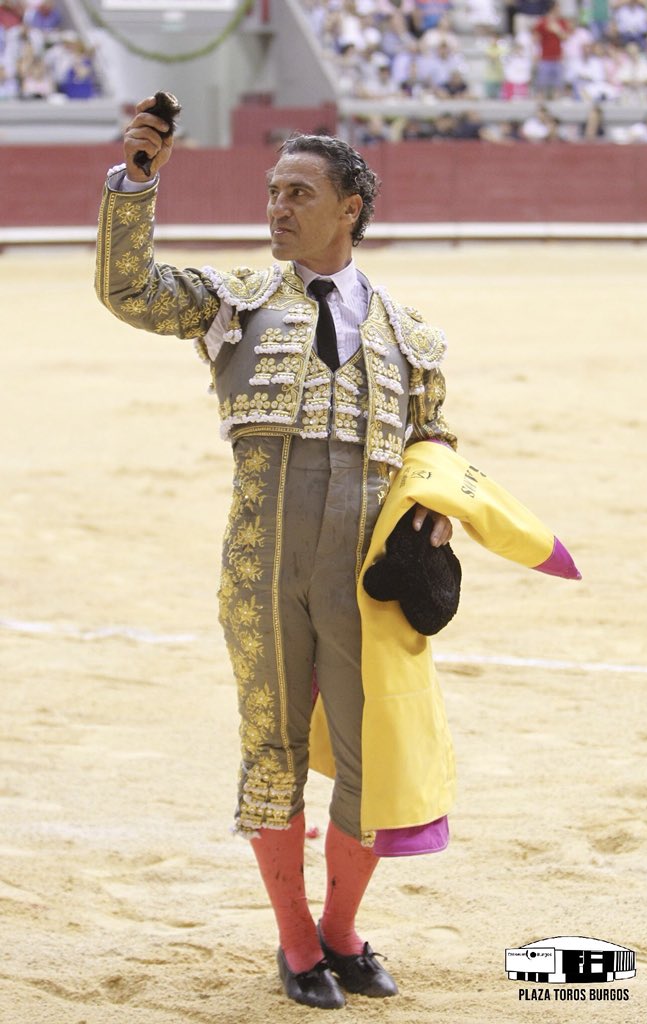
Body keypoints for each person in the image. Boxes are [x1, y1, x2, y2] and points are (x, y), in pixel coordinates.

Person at [95, 97, 457, 1010]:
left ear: (352, 210)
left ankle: (341, 931)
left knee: (376, 757)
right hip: (261, 570)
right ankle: (299, 945)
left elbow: (437, 442)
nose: (278, 209)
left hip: (364, 583)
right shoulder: (233, 303)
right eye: (272, 192)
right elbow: (127, 289)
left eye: (300, 193)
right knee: (273, 752)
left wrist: (443, 509)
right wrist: (138, 183)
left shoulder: (412, 338)